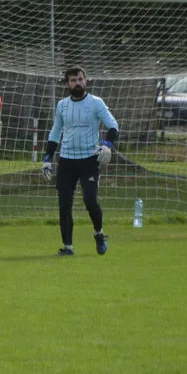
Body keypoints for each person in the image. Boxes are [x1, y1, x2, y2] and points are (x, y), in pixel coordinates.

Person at [41, 66, 119, 256]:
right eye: (73, 80)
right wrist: (47, 158)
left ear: (86, 81)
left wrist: (107, 144)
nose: (77, 83)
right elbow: (55, 132)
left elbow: (113, 126)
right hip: (67, 160)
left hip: (89, 160)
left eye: (80, 79)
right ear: (67, 83)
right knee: (64, 204)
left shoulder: (96, 103)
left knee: (89, 199)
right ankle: (68, 247)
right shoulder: (62, 105)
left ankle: (99, 233)